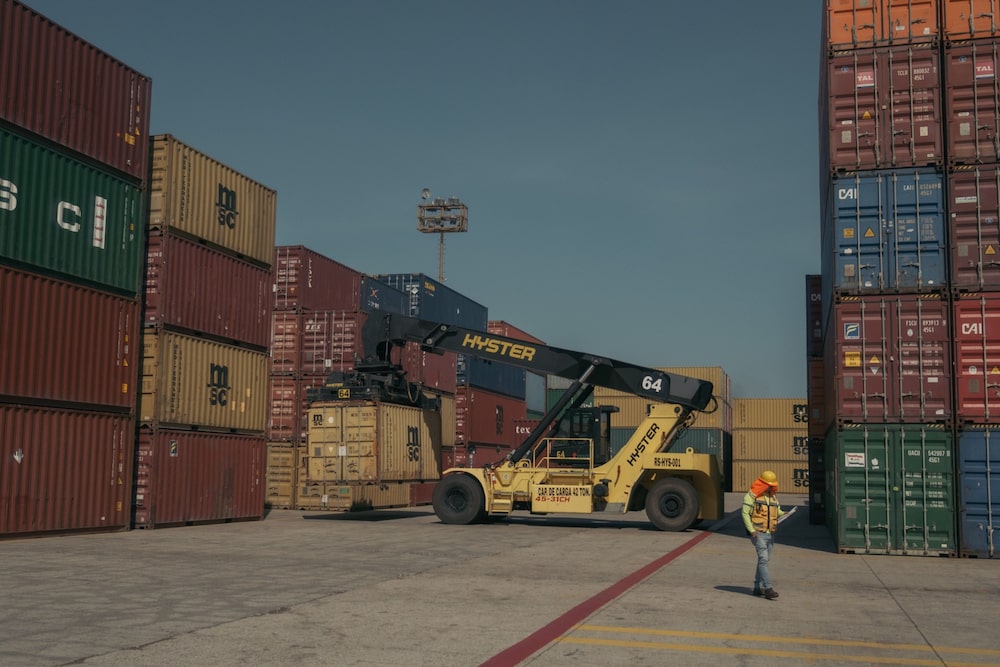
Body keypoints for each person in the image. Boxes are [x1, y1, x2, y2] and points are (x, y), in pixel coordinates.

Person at [741, 470, 784, 600]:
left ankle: (757, 587)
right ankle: (768, 588)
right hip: (758, 534)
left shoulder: (773, 497)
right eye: (769, 485)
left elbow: (777, 511)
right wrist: (752, 530)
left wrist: (785, 513)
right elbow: (744, 513)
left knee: (763, 560)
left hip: (770, 533)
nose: (772, 487)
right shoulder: (751, 496)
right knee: (764, 559)